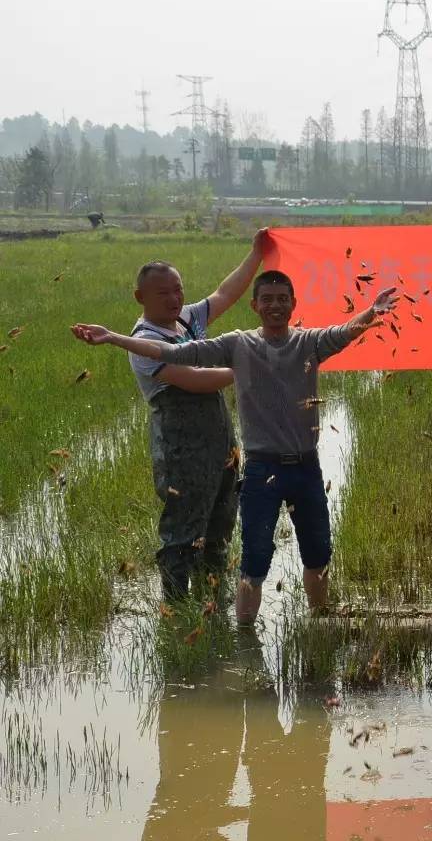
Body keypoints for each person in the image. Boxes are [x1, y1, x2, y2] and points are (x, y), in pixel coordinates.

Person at [72, 271, 398, 624]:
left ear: (293, 305)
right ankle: (244, 641)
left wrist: (371, 312)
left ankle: (320, 623)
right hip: (262, 471)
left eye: (282, 299)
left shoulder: (309, 343)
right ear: (255, 305)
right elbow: (169, 352)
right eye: (268, 299)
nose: (275, 305)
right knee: (254, 561)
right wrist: (114, 338)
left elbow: (344, 332)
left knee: (318, 555)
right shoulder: (238, 345)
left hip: (306, 468)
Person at [128, 230, 268, 604]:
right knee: (183, 527)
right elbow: (194, 381)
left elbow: (225, 294)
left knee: (222, 519)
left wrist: (257, 254)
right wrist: (246, 369)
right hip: (181, 448)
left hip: (220, 440)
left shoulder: (188, 322)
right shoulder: (145, 341)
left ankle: (212, 602)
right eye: (164, 293)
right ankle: (177, 609)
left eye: (178, 289)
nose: (175, 298)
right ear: (141, 297)